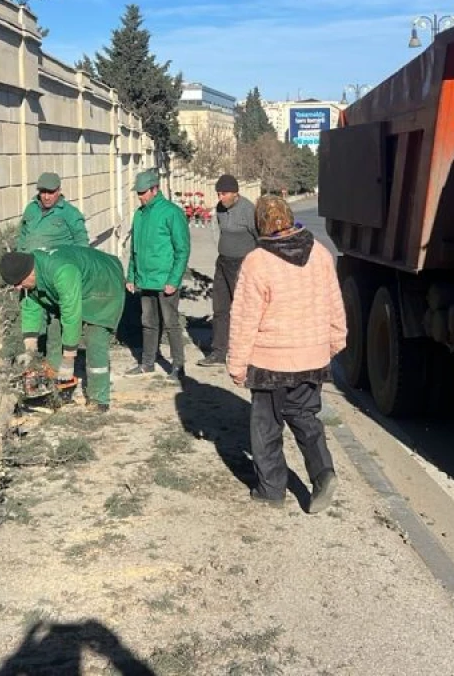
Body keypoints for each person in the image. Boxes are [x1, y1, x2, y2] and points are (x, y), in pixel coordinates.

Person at [227, 195, 346, 514]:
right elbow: (335, 302)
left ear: (259, 225)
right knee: (305, 416)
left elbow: (244, 318)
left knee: (266, 428)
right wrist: (334, 342)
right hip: (312, 357)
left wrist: (237, 364)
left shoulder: (257, 261)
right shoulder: (320, 253)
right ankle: (323, 474)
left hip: (271, 362)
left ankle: (271, 490)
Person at [0, 247, 125, 410]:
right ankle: (55, 389)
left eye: (17, 283)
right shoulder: (30, 276)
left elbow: (71, 316)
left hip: (102, 286)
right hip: (74, 287)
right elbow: (30, 307)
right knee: (54, 330)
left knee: (96, 339)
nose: (16, 288)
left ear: (30, 273)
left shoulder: (62, 272)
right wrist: (30, 348)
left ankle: (99, 398)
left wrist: (69, 358)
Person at [17, 172, 89, 374]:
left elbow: (82, 245)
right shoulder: (31, 209)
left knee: (57, 325)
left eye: (50, 192)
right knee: (30, 316)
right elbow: (22, 237)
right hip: (31, 276)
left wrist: (77, 274)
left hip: (58, 278)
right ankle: (32, 362)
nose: (46, 196)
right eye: (42, 192)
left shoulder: (70, 213)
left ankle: (57, 370)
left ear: (59, 191)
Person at [125, 169, 190, 382]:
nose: (140, 196)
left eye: (143, 192)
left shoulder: (171, 212)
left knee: (171, 323)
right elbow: (135, 248)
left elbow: (182, 249)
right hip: (145, 279)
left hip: (165, 281)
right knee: (148, 323)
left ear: (155, 189)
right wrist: (131, 276)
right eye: (138, 193)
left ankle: (178, 366)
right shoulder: (139, 214)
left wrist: (174, 280)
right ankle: (147, 363)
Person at [197, 174, 257, 367]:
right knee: (220, 308)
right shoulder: (220, 209)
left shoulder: (248, 210)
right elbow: (218, 231)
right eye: (219, 194)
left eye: (224, 194)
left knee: (242, 310)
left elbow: (259, 238)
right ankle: (219, 351)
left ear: (235, 193)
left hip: (242, 264)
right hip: (223, 262)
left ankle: (246, 352)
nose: (220, 197)